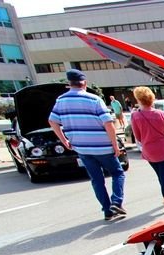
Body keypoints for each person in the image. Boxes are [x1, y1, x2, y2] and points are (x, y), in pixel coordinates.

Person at [48, 69, 127, 222]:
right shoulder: (94, 99)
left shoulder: (60, 100)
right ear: (84, 83)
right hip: (103, 146)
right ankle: (116, 202)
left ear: (69, 84)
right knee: (117, 173)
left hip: (82, 148)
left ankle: (107, 210)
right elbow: (108, 123)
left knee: (97, 180)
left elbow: (53, 121)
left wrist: (64, 141)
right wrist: (115, 145)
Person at [130, 86, 164, 213]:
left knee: (160, 176)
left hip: (149, 150)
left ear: (139, 99)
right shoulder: (161, 114)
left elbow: (137, 136)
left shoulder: (135, 116)